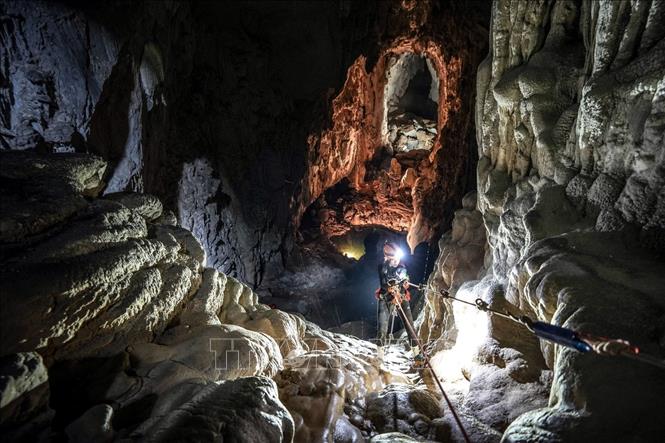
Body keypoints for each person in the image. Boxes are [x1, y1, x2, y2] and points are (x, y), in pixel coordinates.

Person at [375, 242, 417, 348]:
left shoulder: (402, 265)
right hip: (386, 297)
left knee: (409, 326)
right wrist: (391, 287)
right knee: (382, 328)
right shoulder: (382, 267)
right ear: (387, 257)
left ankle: (417, 354)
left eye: (397, 258)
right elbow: (384, 284)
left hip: (401, 295)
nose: (396, 261)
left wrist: (406, 282)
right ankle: (380, 355)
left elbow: (406, 276)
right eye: (393, 258)